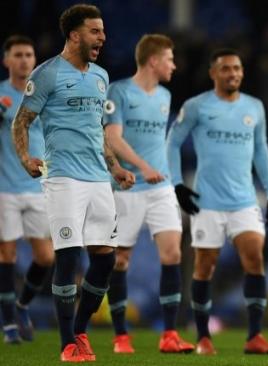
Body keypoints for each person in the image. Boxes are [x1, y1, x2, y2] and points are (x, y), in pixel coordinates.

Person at [11, 4, 135, 362]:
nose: (103, 37)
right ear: (74, 35)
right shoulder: (47, 74)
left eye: (103, 30)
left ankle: (80, 329)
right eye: (95, 31)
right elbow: (21, 121)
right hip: (63, 177)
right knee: (67, 257)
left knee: (105, 260)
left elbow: (98, 130)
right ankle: (67, 343)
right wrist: (25, 158)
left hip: (98, 179)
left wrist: (114, 168)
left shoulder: (100, 76)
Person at [166, 48, 268, 356]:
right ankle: (203, 337)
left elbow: (261, 151)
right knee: (205, 267)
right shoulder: (197, 106)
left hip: (244, 200)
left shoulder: (254, 107)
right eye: (226, 69)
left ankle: (254, 336)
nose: (233, 73)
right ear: (213, 73)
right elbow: (173, 142)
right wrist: (177, 185)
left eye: (237, 68)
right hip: (208, 202)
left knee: (254, 257)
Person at [103, 34, 194, 354]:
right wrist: (142, 166)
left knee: (172, 254)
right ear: (153, 61)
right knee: (120, 260)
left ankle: (169, 334)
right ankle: (120, 336)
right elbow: (112, 138)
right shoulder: (119, 91)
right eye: (170, 59)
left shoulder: (166, 96)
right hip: (128, 188)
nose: (174, 65)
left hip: (161, 187)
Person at [0, 35, 54, 344]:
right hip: (5, 187)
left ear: (34, 60)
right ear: (7, 60)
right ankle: (8, 326)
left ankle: (21, 306)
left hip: (37, 187)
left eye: (28, 54)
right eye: (17, 54)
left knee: (45, 257)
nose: (23, 59)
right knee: (6, 254)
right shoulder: (1, 96)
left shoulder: (42, 98)